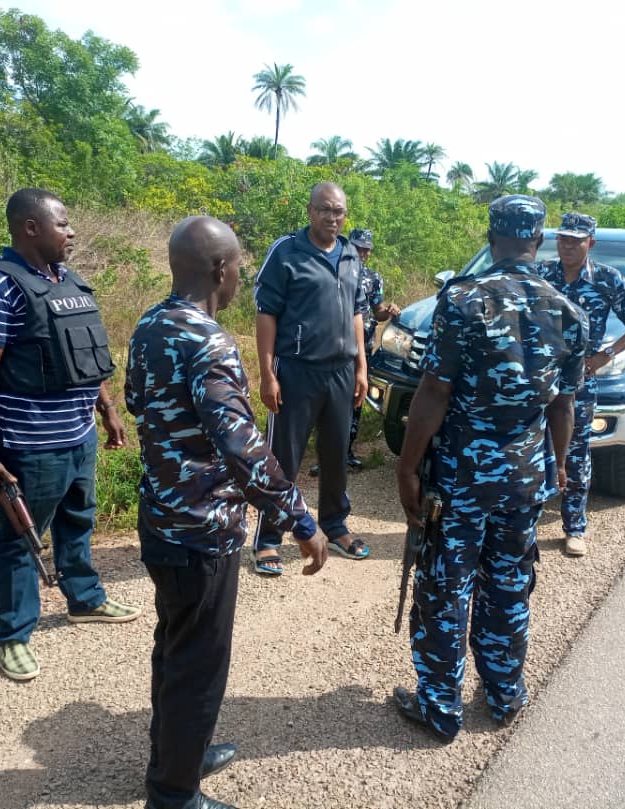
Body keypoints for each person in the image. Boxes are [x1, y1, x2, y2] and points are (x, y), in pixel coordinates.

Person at [126, 216, 327, 809]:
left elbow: (141, 403)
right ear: (220, 269)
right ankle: (173, 792)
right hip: (201, 528)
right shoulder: (209, 342)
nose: (240, 275)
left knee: (174, 645)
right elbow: (242, 446)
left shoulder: (150, 325)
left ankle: (181, 751)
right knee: (198, 661)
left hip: (161, 516)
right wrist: (299, 518)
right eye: (238, 264)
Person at [392, 195, 588, 741]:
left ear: (490, 233)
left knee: (447, 586)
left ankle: (441, 707)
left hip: (462, 477)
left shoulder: (462, 300)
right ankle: (504, 694)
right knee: (509, 582)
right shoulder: (569, 310)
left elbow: (433, 392)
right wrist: (560, 465)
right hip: (525, 475)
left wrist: (408, 468)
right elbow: (563, 405)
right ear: (540, 237)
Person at [0, 188, 140, 683]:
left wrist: (107, 408)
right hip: (31, 443)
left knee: (79, 520)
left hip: (79, 434)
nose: (72, 231)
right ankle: (14, 635)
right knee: (20, 538)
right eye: (62, 223)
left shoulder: (69, 282)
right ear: (30, 228)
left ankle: (84, 599)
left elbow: (86, 354)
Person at [251, 182, 370, 575]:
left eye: (338, 211)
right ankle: (269, 538)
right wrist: (267, 373)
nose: (332, 218)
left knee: (336, 455)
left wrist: (361, 367)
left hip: (340, 372)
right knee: (283, 458)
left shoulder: (351, 254)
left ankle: (335, 526)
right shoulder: (286, 252)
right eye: (324, 210)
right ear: (309, 211)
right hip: (297, 372)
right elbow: (266, 312)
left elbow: (357, 313)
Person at [536, 212, 625, 557]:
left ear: (591, 243)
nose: (567, 246)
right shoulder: (541, 274)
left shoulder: (607, 279)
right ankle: (526, 520)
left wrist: (606, 355)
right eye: (562, 239)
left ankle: (574, 527)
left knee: (574, 452)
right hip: (539, 377)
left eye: (575, 240)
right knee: (529, 446)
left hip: (579, 380)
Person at [309, 227, 401, 474]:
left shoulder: (374, 278)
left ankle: (346, 454)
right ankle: (324, 457)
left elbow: (377, 311)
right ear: (349, 245)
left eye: (366, 249)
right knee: (327, 403)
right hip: (330, 350)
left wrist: (389, 311)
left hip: (362, 351)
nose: (363, 253)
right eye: (359, 247)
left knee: (355, 401)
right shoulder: (332, 269)